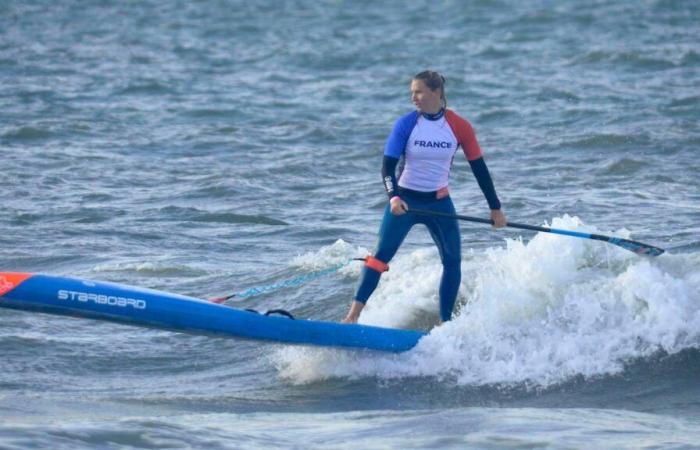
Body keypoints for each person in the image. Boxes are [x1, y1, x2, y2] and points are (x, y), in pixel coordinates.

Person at [342, 70, 506, 324]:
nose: (413, 98)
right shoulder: (407, 124)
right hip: (405, 201)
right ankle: (352, 317)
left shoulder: (459, 126)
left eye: (418, 92)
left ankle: (446, 324)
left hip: (439, 202)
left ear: (436, 92)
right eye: (411, 93)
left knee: (452, 261)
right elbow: (387, 167)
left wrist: (495, 208)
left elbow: (479, 169)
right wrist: (393, 197)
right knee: (379, 257)